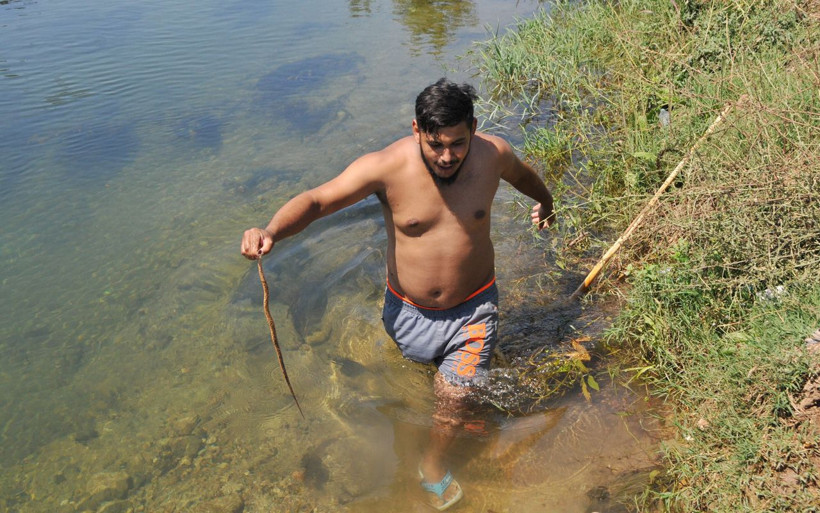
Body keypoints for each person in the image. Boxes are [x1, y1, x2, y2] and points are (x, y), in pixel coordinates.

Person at [240, 78, 555, 510]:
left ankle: (432, 463)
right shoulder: (385, 167)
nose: (447, 156)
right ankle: (446, 405)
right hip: (408, 312)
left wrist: (547, 203)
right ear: (416, 130)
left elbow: (523, 175)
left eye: (458, 144)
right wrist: (271, 230)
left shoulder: (493, 154)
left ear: (473, 128)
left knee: (456, 395)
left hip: (475, 307)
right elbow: (318, 201)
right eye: (435, 145)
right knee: (421, 375)